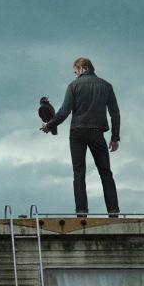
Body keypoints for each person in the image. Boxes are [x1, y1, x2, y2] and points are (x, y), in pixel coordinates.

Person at [41, 57, 121, 216]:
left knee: (79, 172)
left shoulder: (73, 86)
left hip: (77, 132)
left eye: (75, 71)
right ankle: (113, 211)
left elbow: (64, 112)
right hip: (97, 133)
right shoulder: (106, 86)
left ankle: (82, 211)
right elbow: (115, 113)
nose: (75, 75)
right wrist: (115, 137)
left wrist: (49, 125)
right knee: (106, 172)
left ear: (82, 68)